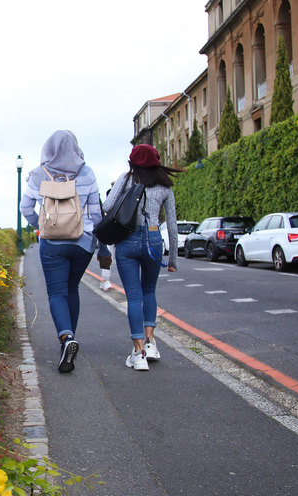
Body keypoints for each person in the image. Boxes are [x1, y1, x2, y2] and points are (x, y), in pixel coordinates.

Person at [21, 130, 111, 374]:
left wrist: (39, 224)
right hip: (82, 242)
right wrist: (100, 244)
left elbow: (25, 207)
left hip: (52, 243)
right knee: (72, 289)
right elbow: (95, 211)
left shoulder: (39, 173)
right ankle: (70, 340)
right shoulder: (87, 172)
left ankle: (66, 337)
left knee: (57, 292)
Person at [102, 144, 180, 371]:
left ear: (133, 163)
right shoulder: (165, 187)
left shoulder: (126, 179)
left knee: (134, 297)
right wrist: (173, 259)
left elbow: (107, 206)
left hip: (127, 241)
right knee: (149, 291)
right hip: (154, 241)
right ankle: (150, 342)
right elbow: (172, 225)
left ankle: (138, 353)